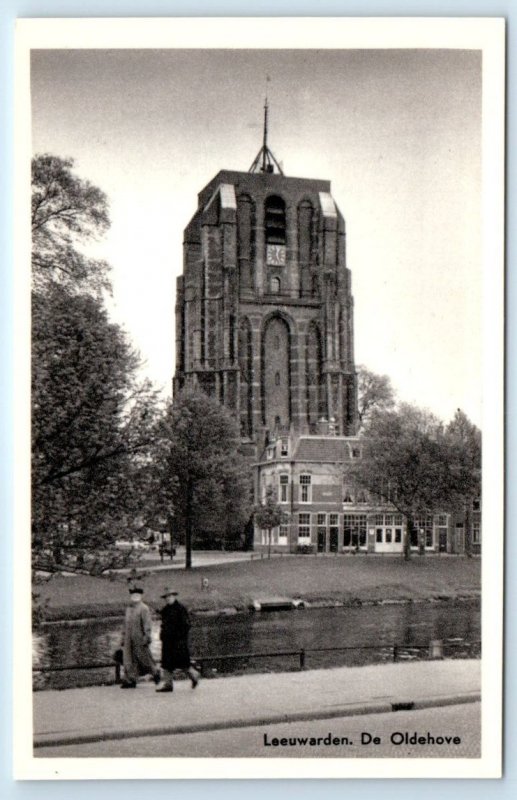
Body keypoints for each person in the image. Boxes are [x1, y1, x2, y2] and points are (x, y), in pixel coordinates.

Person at [155, 587, 200, 693]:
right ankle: (168, 684)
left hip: (178, 641)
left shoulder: (180, 609)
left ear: (174, 596)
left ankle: (194, 676)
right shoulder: (165, 610)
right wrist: (162, 635)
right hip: (167, 641)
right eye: (166, 597)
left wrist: (181, 638)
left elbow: (186, 625)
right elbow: (163, 624)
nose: (168, 598)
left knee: (183, 663)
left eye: (170, 596)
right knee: (167, 664)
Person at [120, 585, 161, 688]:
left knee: (144, 658)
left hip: (139, 637)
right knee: (128, 659)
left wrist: (147, 636)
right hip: (128, 638)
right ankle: (131, 679)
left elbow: (147, 624)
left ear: (141, 596)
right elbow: (125, 624)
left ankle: (155, 672)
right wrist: (123, 637)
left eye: (137, 594)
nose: (135, 596)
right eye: (133, 594)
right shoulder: (128, 609)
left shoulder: (144, 608)